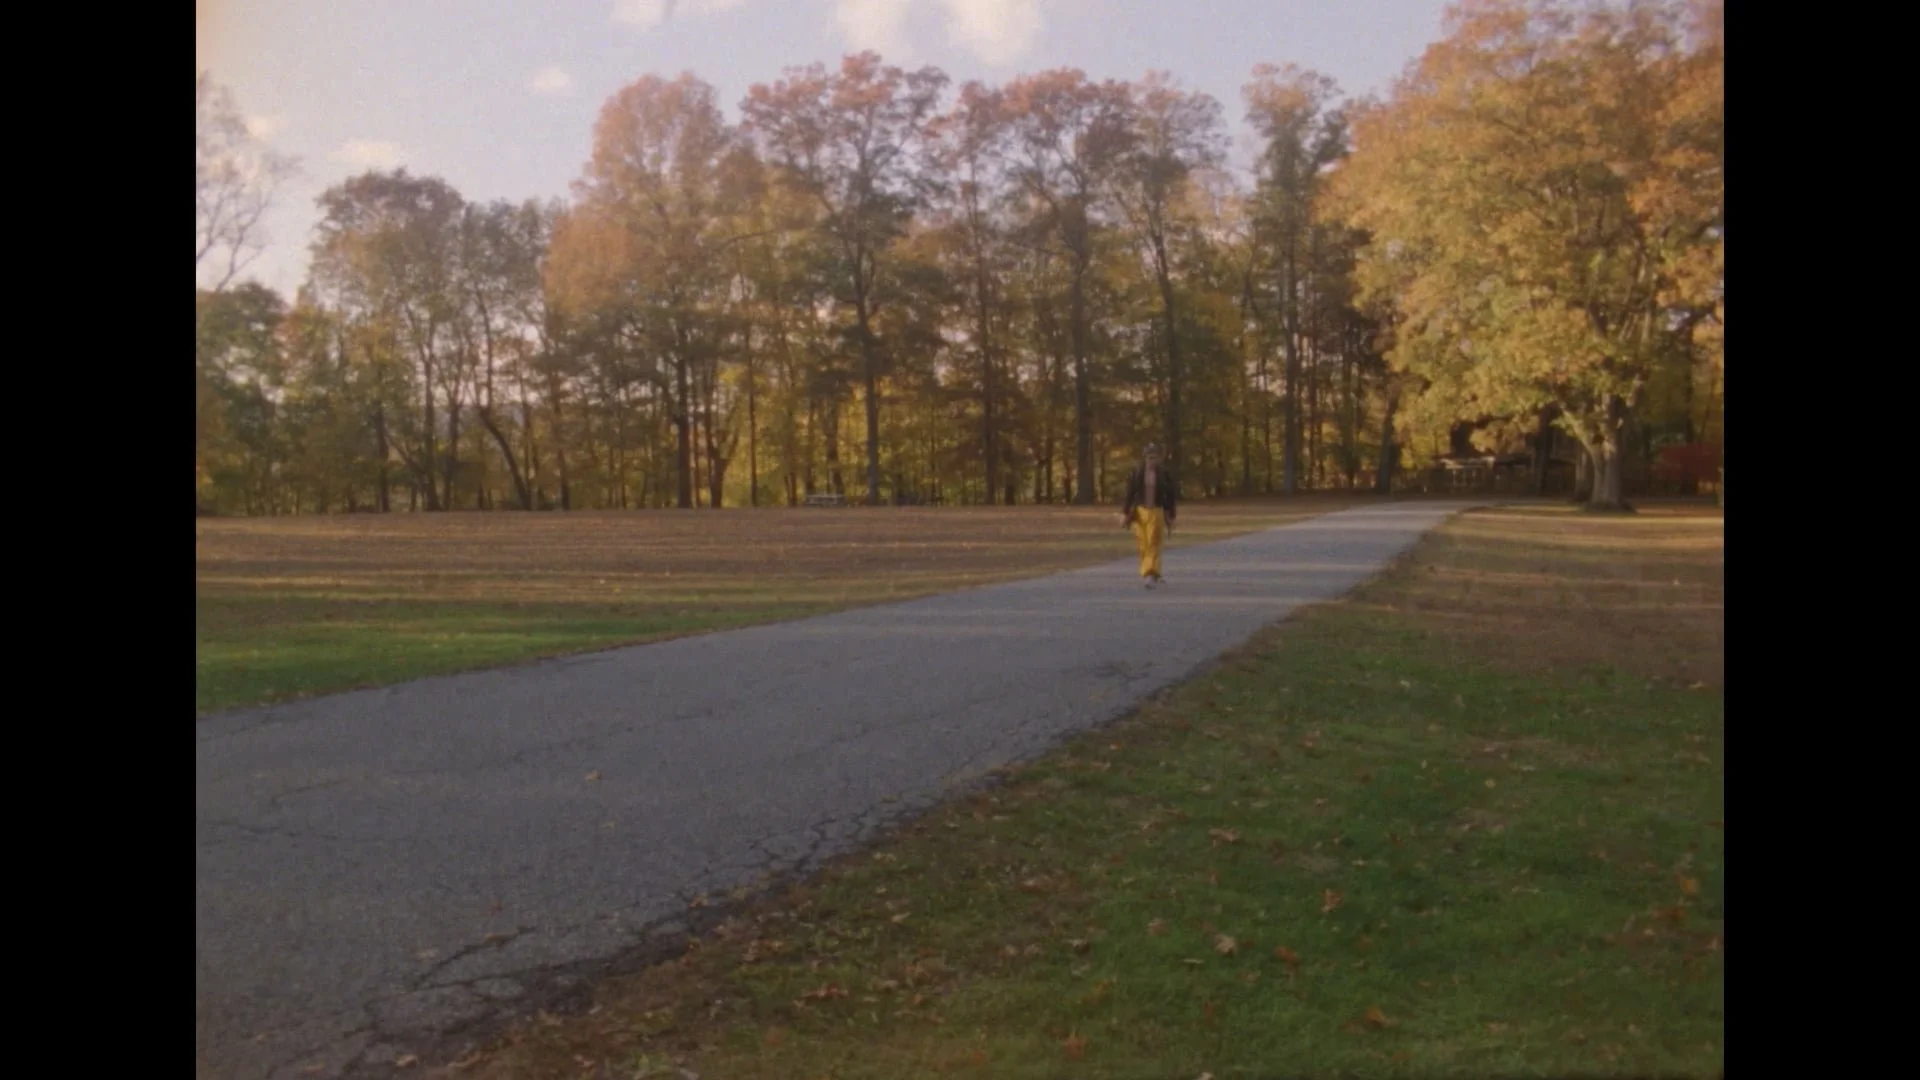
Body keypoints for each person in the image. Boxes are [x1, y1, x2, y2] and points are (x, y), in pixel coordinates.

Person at [1119, 442, 1177, 589]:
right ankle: (1149, 571)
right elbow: (1129, 493)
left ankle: (1150, 573)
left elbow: (1171, 496)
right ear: (1145, 457)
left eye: (1154, 457)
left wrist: (1171, 515)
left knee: (1154, 543)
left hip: (1156, 510)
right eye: (1149, 457)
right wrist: (1125, 513)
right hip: (1140, 512)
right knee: (1143, 544)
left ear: (1159, 458)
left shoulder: (1163, 474)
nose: (1152, 460)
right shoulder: (1137, 473)